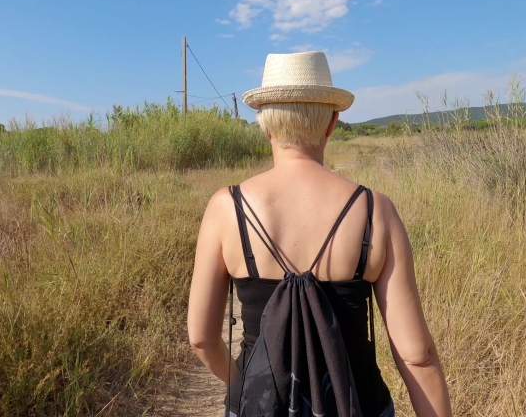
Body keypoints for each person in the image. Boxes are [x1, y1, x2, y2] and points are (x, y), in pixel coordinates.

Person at [187, 51, 452, 416]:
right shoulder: (376, 211)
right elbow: (417, 356)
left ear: (265, 125)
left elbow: (201, 338)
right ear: (332, 122)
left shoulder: (225, 208)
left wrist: (247, 383)